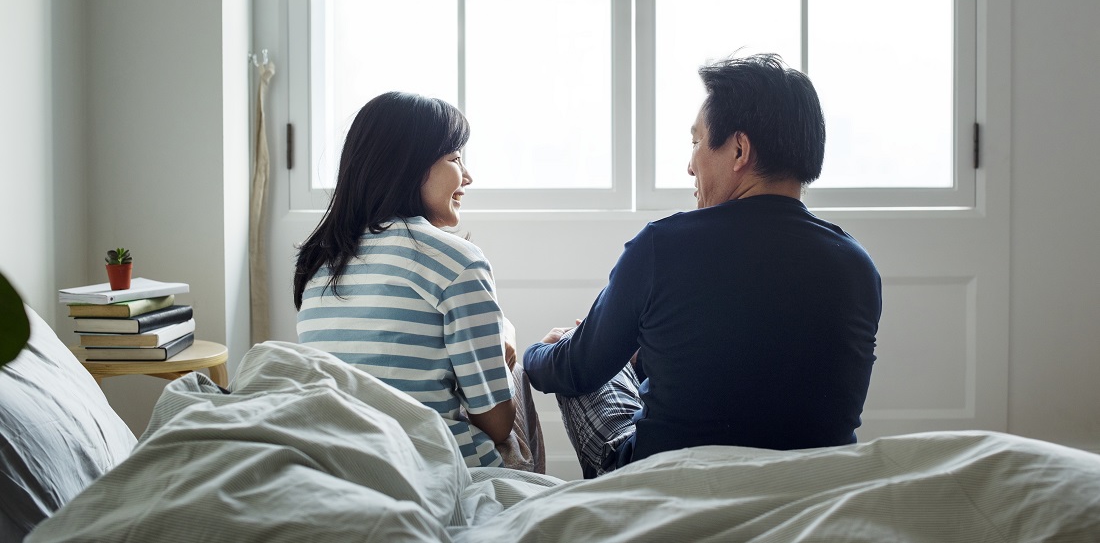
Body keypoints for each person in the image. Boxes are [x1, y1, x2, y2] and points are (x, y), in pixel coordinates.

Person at [523, 54, 882, 478]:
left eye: (696, 142)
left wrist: (535, 356)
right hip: (811, 486)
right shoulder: (857, 265)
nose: (690, 165)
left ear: (739, 150)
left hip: (667, 482)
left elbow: (578, 368)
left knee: (575, 352)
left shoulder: (662, 245)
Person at [294, 91, 543, 472]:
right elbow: (496, 424)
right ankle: (529, 503)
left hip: (340, 458)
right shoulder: (458, 262)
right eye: (456, 159)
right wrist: (504, 340)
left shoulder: (322, 262)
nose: (468, 177)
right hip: (434, 463)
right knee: (517, 369)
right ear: (407, 166)